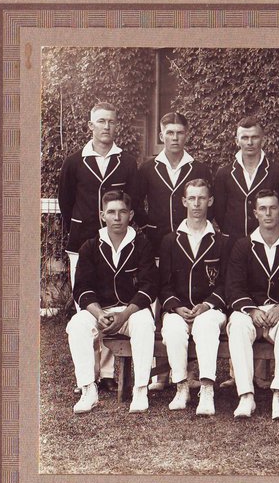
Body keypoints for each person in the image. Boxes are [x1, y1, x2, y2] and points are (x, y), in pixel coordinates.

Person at [67, 191, 157, 414]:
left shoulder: (142, 244)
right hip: (101, 311)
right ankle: (88, 389)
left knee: (145, 324)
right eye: (111, 212)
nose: (117, 218)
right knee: (77, 324)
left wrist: (124, 315)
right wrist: (98, 314)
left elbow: (148, 287)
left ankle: (140, 389)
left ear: (131, 215)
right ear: (102, 215)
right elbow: (82, 288)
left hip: (131, 312)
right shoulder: (90, 246)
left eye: (122, 212)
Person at [226, 190, 279, 420]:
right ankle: (246, 395)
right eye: (262, 208)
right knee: (238, 325)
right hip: (251, 310)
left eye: (272, 208)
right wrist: (250, 309)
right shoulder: (243, 245)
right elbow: (234, 287)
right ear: (255, 213)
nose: (268, 213)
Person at [158, 179, 229, 416]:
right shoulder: (170, 240)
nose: (196, 204)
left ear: (210, 201)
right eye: (192, 198)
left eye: (201, 198)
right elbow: (163, 284)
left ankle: (207, 389)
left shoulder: (221, 241)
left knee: (206, 326)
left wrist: (207, 305)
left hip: (209, 310)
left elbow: (226, 284)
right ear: (184, 201)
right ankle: (181, 386)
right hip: (178, 309)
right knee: (174, 330)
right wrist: (176, 307)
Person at [58, 102, 142, 288]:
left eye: (111, 122)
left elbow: (133, 199)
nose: (106, 126)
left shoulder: (127, 162)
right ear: (90, 125)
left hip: (117, 237)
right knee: (83, 289)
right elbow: (65, 201)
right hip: (82, 236)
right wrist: (76, 224)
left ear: (116, 126)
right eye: (101, 121)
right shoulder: (73, 162)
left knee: (113, 290)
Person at [135, 112, 213, 252]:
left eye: (180, 133)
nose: (175, 138)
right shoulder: (148, 168)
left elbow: (210, 205)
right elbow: (136, 201)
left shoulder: (199, 169)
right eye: (170, 133)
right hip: (156, 241)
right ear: (161, 136)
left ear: (186, 135)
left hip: (193, 241)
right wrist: (147, 226)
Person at [213, 115, 279, 240]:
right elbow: (219, 211)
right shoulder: (224, 173)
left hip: (266, 242)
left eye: (254, 137)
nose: (249, 142)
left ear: (263, 140)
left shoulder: (277, 172)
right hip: (233, 242)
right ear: (237, 141)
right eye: (244, 138)